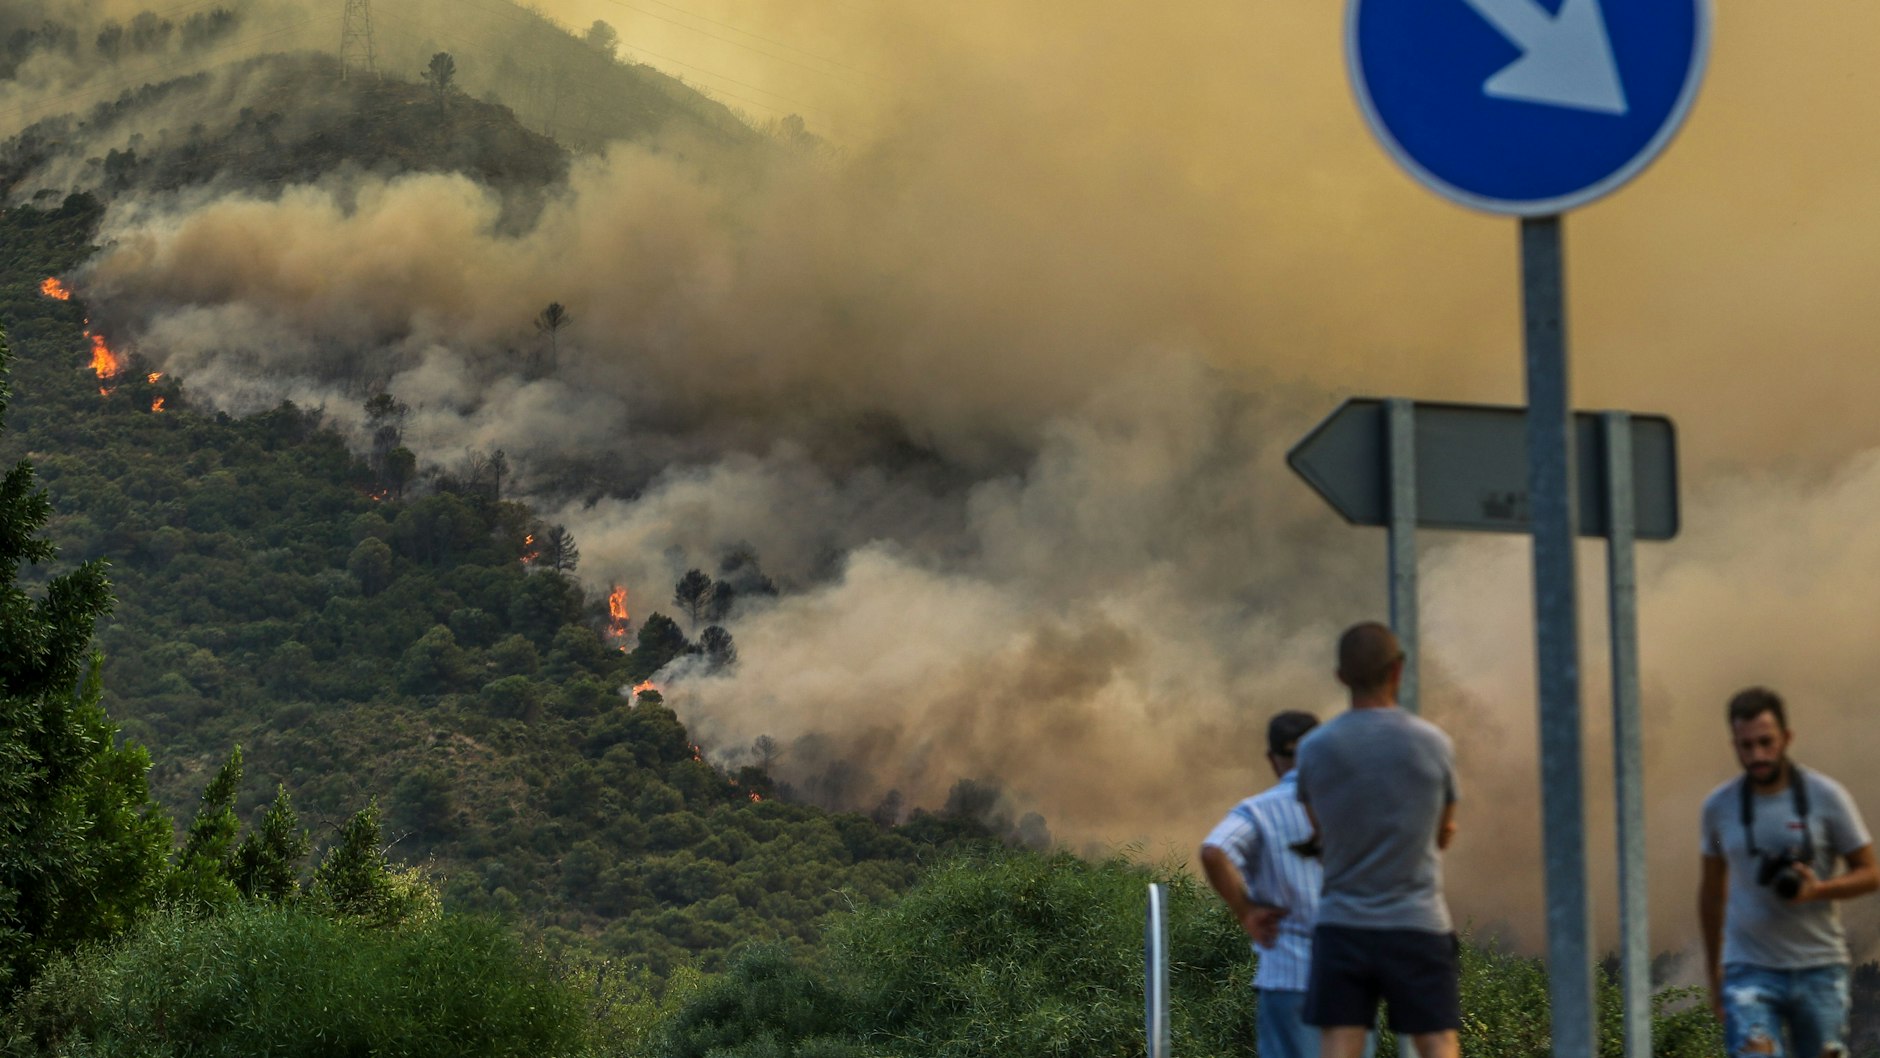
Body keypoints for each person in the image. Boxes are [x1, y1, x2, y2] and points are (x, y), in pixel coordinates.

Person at [1294, 621, 1460, 1058]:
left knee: (1340, 1042)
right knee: (1437, 1040)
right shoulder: (1434, 744)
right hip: (1417, 920)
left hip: (1343, 922)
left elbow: (1319, 832)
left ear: (1340, 677)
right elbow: (1444, 831)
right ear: (1398, 670)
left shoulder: (1314, 748)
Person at [1699, 687, 1878, 1058]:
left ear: (1786, 738)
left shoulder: (1827, 797)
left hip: (1819, 966)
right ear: (1734, 744)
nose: (1757, 755)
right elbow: (1711, 894)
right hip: (1748, 968)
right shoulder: (1719, 807)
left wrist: (1818, 890)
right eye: (1746, 745)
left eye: (1766, 742)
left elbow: (1870, 872)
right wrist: (1714, 973)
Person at [1202, 710, 1370, 1058]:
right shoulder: (1356, 805)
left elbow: (1214, 851)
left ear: (1272, 758)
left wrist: (1246, 911)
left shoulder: (1258, 810)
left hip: (1288, 975)